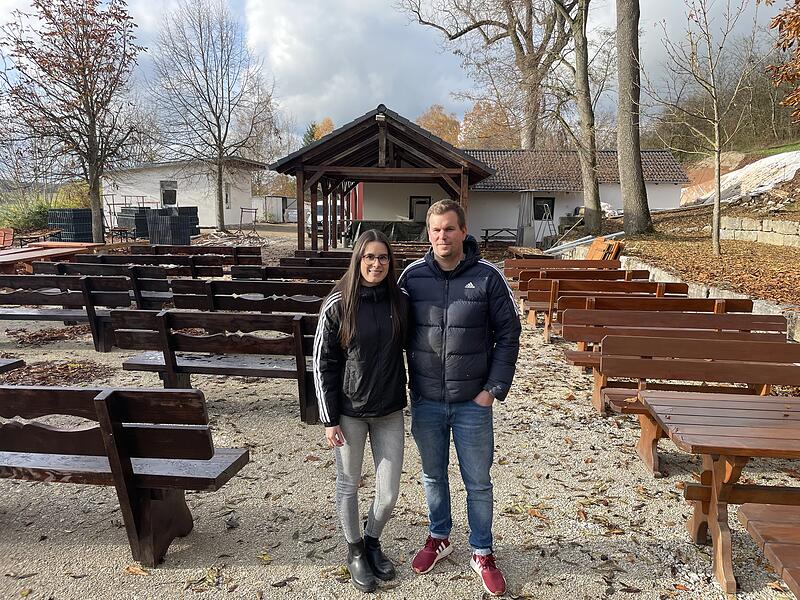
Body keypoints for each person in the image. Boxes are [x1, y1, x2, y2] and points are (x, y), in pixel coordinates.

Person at [399, 199, 521, 596]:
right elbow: (389, 327)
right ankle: (439, 537)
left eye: (449, 228)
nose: (442, 236)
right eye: (435, 230)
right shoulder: (412, 277)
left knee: (478, 482)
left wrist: (492, 391)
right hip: (427, 400)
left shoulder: (488, 276)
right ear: (428, 233)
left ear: (463, 231)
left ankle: (482, 551)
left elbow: (509, 334)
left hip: (473, 402)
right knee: (433, 476)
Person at [313, 229, 408, 594]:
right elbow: (323, 363)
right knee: (348, 484)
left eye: (382, 257)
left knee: (389, 492)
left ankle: (371, 541)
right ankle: (354, 550)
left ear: (390, 261)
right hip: (350, 412)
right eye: (369, 256)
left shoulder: (399, 300)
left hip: (389, 411)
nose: (376, 263)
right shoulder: (338, 303)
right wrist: (329, 418)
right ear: (358, 259)